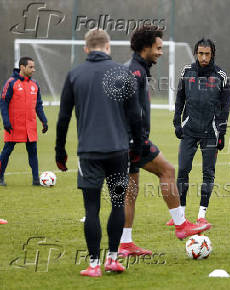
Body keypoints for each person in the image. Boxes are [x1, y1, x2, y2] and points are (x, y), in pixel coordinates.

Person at [55, 29, 143, 277]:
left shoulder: (74, 75)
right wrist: (136, 148)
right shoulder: (123, 73)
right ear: (108, 47)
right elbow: (136, 116)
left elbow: (63, 118)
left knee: (91, 209)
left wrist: (60, 152)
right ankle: (113, 259)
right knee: (117, 204)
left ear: (86, 49)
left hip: (89, 154)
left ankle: (94, 264)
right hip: (118, 152)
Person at [120, 27, 211, 256]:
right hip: (133, 141)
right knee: (168, 171)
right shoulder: (136, 73)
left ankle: (125, 243)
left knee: (130, 192)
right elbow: (131, 112)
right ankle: (181, 225)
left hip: (124, 141)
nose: (160, 52)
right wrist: (138, 141)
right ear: (146, 47)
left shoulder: (136, 69)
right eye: (158, 48)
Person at [171, 38, 230, 226]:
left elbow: (225, 107)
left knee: (208, 173)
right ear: (196, 53)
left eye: (207, 54)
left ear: (212, 54)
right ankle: (180, 215)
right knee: (183, 170)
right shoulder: (187, 72)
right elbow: (180, 98)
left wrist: (222, 133)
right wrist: (177, 122)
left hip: (211, 132)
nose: (203, 57)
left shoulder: (221, 76)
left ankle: (201, 214)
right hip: (189, 129)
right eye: (200, 53)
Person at [0, 57, 48, 186]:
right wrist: (6, 121)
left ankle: (36, 180)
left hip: (30, 125)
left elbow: (38, 105)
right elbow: (3, 102)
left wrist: (44, 120)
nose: (34, 69)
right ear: (22, 67)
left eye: (34, 67)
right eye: (31, 67)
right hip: (14, 125)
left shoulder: (34, 84)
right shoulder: (11, 82)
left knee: (33, 151)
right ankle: (0, 177)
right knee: (7, 151)